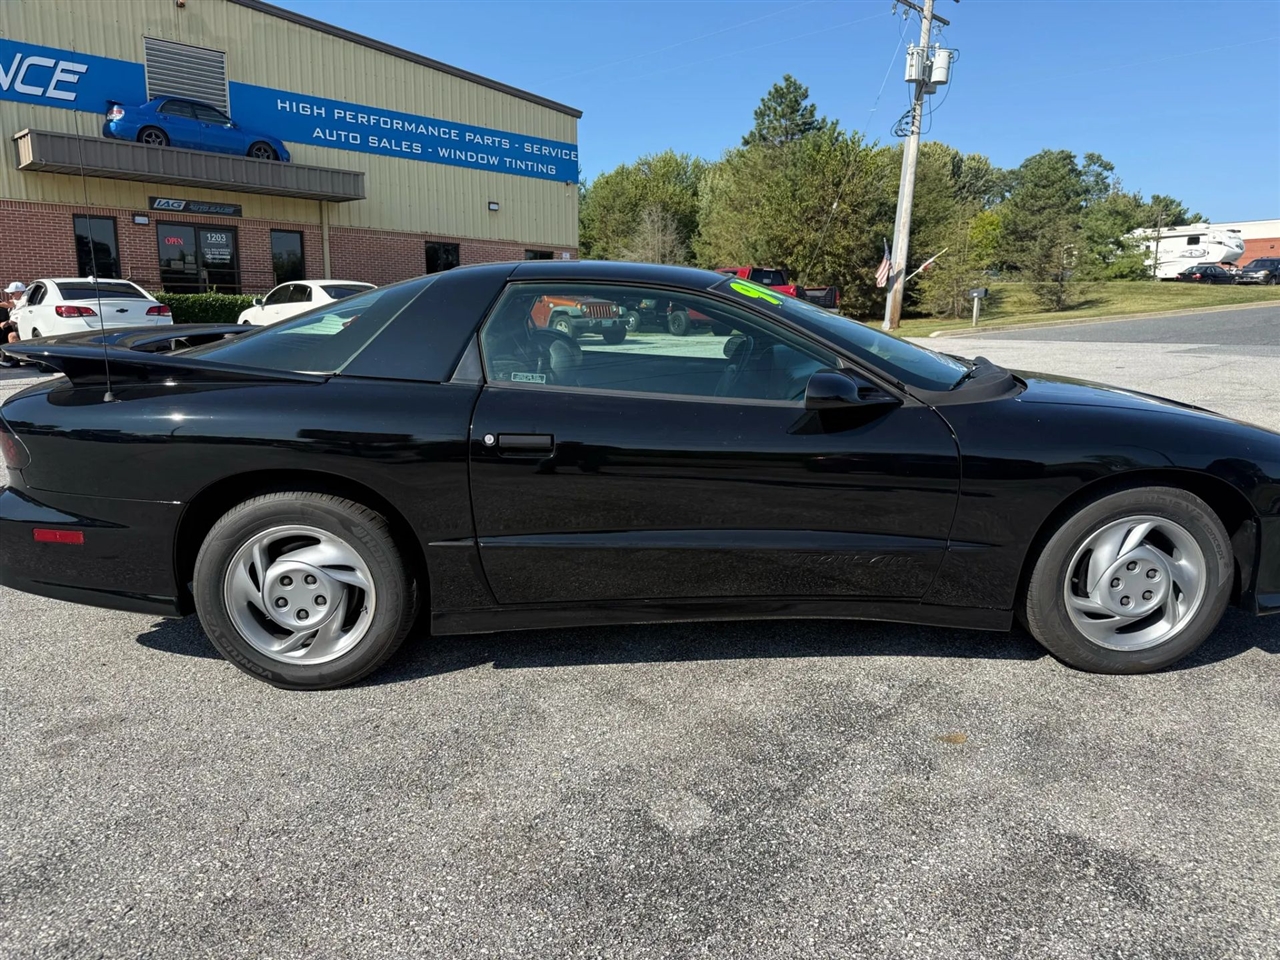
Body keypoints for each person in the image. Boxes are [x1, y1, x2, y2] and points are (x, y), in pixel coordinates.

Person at [0, 281, 25, 367]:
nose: (11, 295)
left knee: (10, 335)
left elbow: (17, 318)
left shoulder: (24, 300)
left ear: (20, 292)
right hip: (17, 326)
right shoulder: (19, 299)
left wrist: (7, 323)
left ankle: (14, 361)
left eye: (12, 293)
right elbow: (10, 303)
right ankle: (6, 358)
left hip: (20, 327)